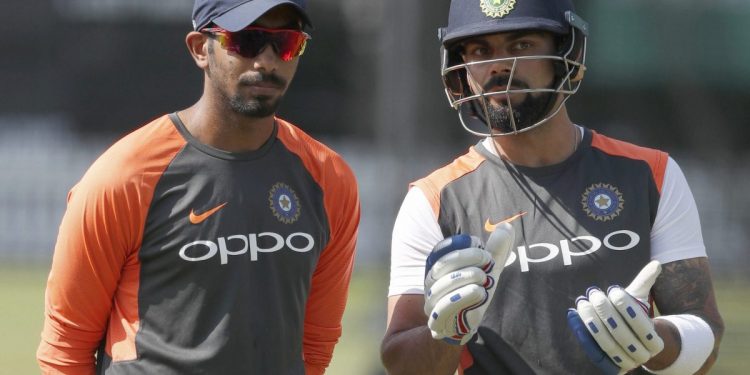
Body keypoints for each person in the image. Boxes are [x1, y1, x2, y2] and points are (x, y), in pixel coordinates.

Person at [380, 0, 723, 374]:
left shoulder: (649, 174)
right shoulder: (434, 200)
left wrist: (651, 340)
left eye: (521, 45)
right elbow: (402, 365)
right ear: (460, 69)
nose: (499, 66)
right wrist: (446, 334)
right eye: (480, 50)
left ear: (566, 52)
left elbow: (705, 341)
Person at [36, 0, 360, 373]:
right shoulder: (124, 177)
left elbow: (315, 344)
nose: (267, 62)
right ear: (199, 49)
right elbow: (65, 348)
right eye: (247, 40)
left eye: (286, 43)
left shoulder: (328, 178)